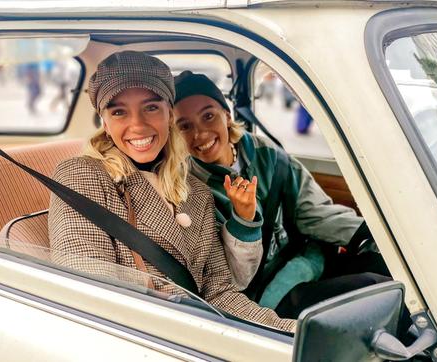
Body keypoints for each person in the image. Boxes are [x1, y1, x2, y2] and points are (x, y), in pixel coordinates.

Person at [48, 51, 295, 332]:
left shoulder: (197, 192)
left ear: (169, 113)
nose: (138, 125)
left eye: (151, 107)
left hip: (200, 332)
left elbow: (220, 293)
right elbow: (92, 296)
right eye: (118, 112)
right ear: (104, 122)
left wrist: (285, 333)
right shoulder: (81, 176)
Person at [172, 71, 389, 318]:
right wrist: (243, 222)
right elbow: (231, 278)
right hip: (263, 294)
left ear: (227, 115)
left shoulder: (265, 153)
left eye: (208, 116)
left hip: (303, 258)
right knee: (374, 288)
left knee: (383, 266)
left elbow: (313, 211)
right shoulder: (191, 190)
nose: (200, 134)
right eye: (185, 126)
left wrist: (368, 233)